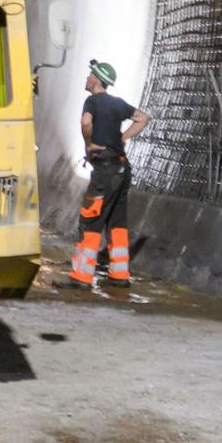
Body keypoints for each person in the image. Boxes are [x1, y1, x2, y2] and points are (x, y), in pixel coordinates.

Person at [72, 59, 149, 287]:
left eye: (89, 76)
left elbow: (86, 123)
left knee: (91, 219)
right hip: (123, 169)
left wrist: (89, 144)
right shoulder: (117, 104)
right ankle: (119, 275)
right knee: (117, 222)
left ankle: (82, 276)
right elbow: (143, 117)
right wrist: (122, 138)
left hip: (105, 171)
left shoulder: (92, 101)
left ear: (96, 79)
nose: (87, 79)